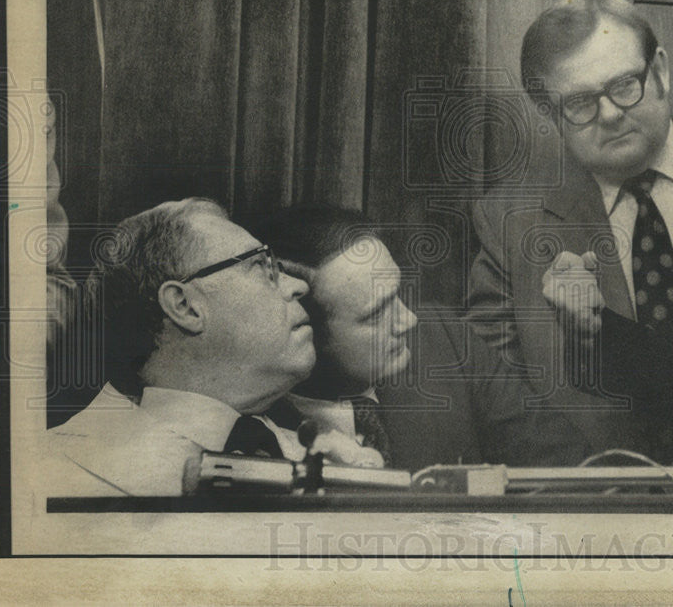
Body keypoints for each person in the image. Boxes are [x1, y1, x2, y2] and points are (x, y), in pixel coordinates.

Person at [467, 0, 673, 461]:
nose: (608, 115)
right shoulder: (510, 224)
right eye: (580, 102)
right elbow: (492, 405)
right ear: (549, 113)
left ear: (660, 70)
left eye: (625, 85)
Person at [251, 205, 589, 472]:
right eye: (375, 314)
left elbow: (572, 466)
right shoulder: (254, 418)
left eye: (398, 294)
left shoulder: (446, 341)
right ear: (304, 328)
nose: (408, 319)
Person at [47, 198, 320, 496]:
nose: (299, 286)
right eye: (259, 265)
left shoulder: (332, 460)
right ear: (184, 306)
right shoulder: (47, 474)